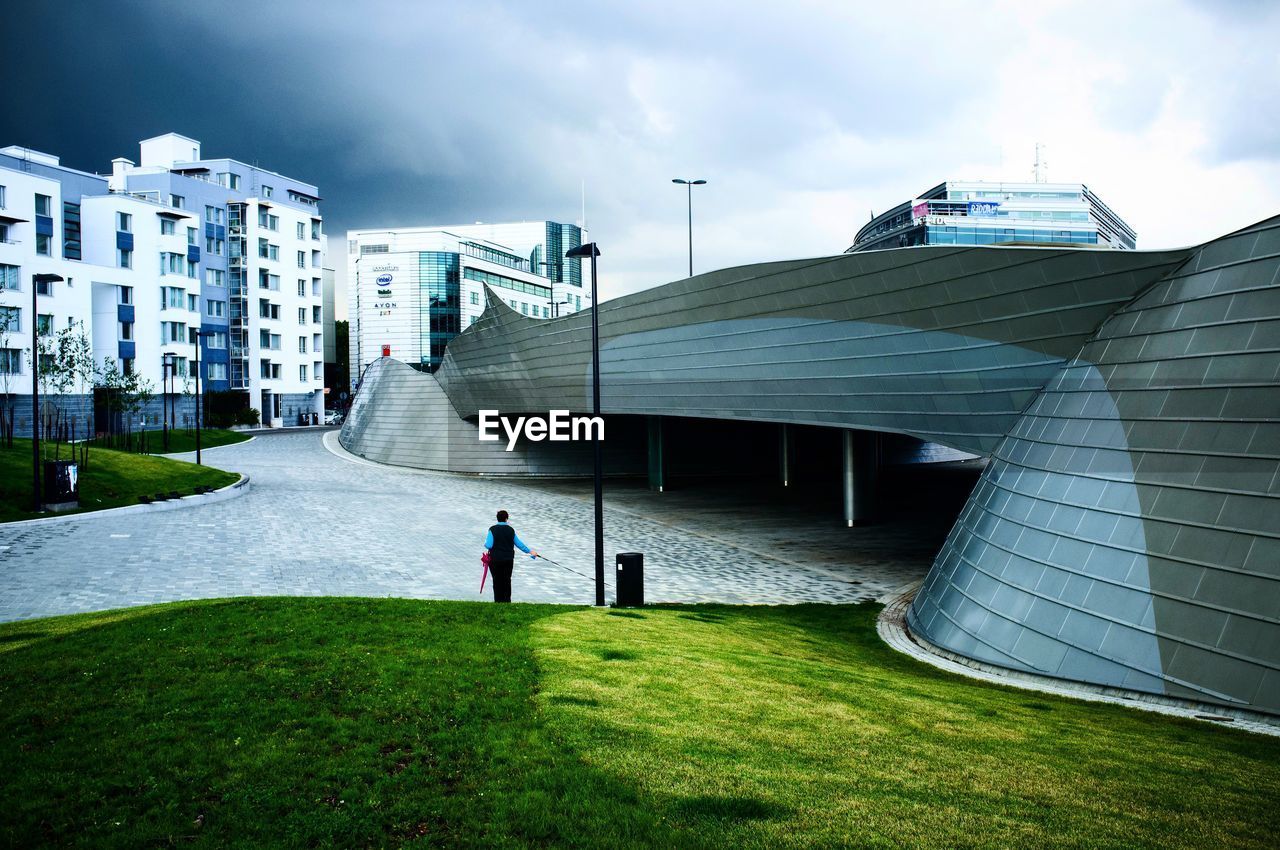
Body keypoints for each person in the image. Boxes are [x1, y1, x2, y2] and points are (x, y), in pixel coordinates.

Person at [483, 509, 538, 603]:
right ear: (506, 519)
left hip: (495, 560)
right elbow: (519, 544)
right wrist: (530, 551)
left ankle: (498, 601)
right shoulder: (511, 530)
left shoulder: (492, 529)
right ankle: (507, 601)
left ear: (497, 519)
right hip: (508, 560)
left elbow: (489, 545)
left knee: (497, 580)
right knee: (507, 580)